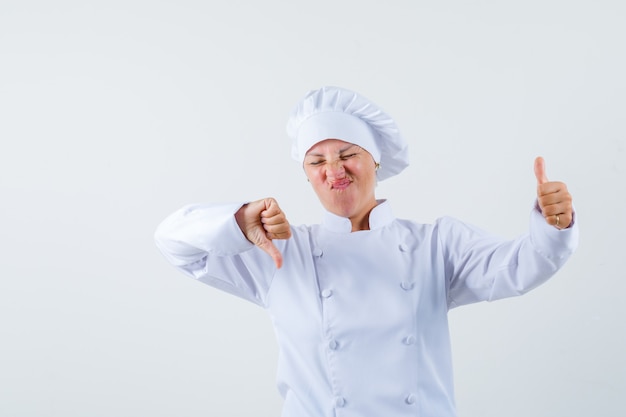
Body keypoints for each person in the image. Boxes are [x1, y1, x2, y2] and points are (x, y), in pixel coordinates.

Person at [154, 86, 578, 417]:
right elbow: (174, 242)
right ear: (305, 175)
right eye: (316, 161)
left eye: (347, 154)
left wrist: (552, 224)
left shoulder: (435, 245)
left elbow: (519, 267)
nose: (333, 170)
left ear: (375, 161)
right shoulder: (280, 254)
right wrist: (240, 221)